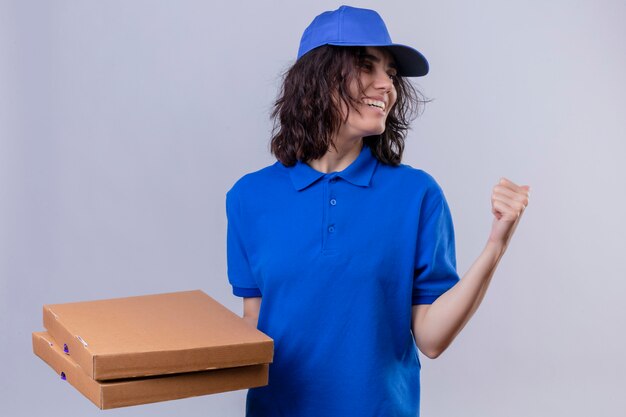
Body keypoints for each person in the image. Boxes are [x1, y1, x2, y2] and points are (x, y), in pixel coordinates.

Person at [225, 5, 530, 417]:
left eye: (390, 72)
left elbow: (431, 338)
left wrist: (496, 244)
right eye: (367, 66)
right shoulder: (249, 197)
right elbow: (255, 322)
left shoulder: (416, 195)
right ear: (316, 78)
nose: (386, 84)